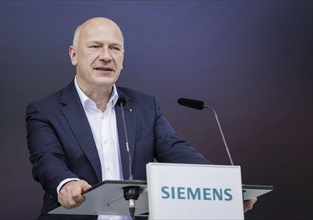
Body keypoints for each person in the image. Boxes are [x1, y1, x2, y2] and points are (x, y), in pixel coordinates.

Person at [26, 17, 257, 220]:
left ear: (123, 57)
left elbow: (178, 151)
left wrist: (224, 186)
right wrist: (65, 184)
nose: (106, 56)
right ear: (74, 54)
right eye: (95, 46)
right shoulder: (45, 111)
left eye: (114, 48)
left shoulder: (145, 106)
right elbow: (47, 160)